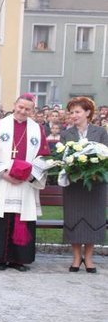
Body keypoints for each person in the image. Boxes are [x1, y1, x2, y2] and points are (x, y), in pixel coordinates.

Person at [0, 95, 50, 271]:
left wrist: (28, 174)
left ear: (32, 110)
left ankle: (18, 259)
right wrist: (3, 174)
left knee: (21, 217)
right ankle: (0, 258)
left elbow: (43, 156)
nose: (23, 111)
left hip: (25, 183)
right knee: (2, 218)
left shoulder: (37, 129)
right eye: (20, 107)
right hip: (3, 180)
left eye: (27, 109)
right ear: (14, 105)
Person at [60, 96, 107, 273]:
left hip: (95, 185)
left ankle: (88, 258)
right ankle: (76, 257)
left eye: (77, 112)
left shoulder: (100, 132)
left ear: (88, 112)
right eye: (71, 112)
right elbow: (62, 158)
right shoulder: (66, 134)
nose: (74, 115)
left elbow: (106, 155)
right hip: (74, 185)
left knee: (92, 219)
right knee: (74, 219)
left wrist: (95, 171)